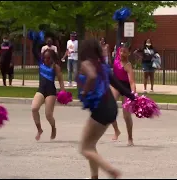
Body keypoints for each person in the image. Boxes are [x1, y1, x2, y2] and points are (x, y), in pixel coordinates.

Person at [77, 39, 135, 179]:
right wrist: (133, 97)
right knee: (91, 145)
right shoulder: (103, 66)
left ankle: (110, 171)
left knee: (84, 148)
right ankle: (94, 176)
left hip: (100, 109)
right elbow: (119, 86)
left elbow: (91, 76)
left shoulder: (86, 64)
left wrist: (84, 92)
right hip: (111, 108)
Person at [31, 49, 65, 141]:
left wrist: (62, 92)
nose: (46, 60)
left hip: (51, 92)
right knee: (34, 108)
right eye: (44, 58)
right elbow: (34, 50)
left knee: (48, 115)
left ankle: (53, 128)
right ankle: (39, 130)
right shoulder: (40, 64)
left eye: (48, 58)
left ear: (52, 58)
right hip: (41, 90)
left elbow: (61, 80)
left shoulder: (55, 67)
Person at [111, 43, 136, 146]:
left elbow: (132, 82)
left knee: (126, 115)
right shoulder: (116, 60)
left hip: (126, 87)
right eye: (121, 51)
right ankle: (116, 130)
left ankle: (130, 138)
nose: (122, 53)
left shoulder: (128, 65)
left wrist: (133, 93)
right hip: (117, 85)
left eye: (124, 52)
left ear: (128, 54)